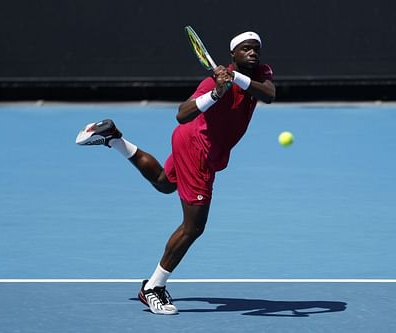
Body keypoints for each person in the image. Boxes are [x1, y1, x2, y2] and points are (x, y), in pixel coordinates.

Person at [75, 31, 275, 315]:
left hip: (197, 143)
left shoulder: (261, 75)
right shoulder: (212, 81)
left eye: (256, 49)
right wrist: (216, 93)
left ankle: (113, 138)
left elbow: (268, 95)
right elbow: (182, 114)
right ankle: (153, 287)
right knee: (194, 226)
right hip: (197, 148)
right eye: (246, 49)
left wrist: (235, 80)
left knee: (164, 183)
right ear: (233, 55)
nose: (253, 53)